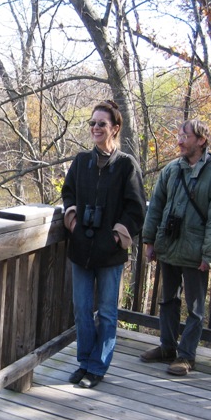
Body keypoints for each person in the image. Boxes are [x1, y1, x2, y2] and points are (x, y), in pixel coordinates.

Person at [62, 100, 146, 388]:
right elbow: (68, 194)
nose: (96, 128)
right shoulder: (81, 161)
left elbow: (136, 209)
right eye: (93, 123)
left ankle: (98, 367)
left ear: (115, 128)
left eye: (102, 124)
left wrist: (115, 236)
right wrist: (72, 221)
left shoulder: (125, 165)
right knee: (82, 308)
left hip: (109, 251)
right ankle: (84, 361)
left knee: (107, 312)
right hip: (81, 248)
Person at [140, 119, 211, 376]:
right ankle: (167, 348)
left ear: (201, 140)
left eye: (186, 135)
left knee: (195, 309)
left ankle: (186, 356)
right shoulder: (172, 170)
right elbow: (156, 207)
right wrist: (150, 241)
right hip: (169, 247)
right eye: (179, 134)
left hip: (196, 253)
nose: (180, 140)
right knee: (167, 301)